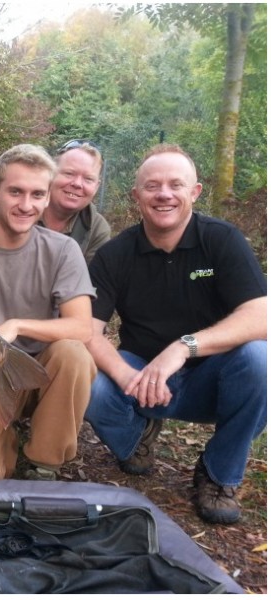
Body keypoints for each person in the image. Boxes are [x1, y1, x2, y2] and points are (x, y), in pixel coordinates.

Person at [84, 144, 266, 524]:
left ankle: (218, 474)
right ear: (137, 196)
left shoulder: (221, 240)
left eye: (175, 184)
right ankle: (136, 438)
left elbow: (260, 317)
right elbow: (88, 331)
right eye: (152, 186)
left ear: (194, 192)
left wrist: (185, 347)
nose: (164, 194)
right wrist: (127, 376)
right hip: (143, 377)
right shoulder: (115, 255)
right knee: (92, 385)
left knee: (259, 360)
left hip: (212, 379)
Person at [0, 144, 96, 481]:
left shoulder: (62, 250)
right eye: (15, 192)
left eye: (37, 194)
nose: (26, 205)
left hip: (37, 374)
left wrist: (16, 325)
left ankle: (44, 463)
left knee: (74, 354)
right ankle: (2, 440)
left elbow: (83, 328)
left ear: (47, 198)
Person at [0, 139, 110, 263]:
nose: (77, 184)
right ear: (51, 175)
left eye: (88, 179)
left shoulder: (96, 228)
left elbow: (87, 282)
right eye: (69, 173)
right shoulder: (10, 207)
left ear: (97, 186)